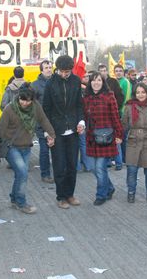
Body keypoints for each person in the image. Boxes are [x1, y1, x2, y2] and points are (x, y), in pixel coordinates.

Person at [0, 84, 55, 213]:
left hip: (26, 146)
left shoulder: (36, 107)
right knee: (23, 173)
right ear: (18, 97)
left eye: (28, 100)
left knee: (20, 174)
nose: (25, 103)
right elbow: (0, 129)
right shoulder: (9, 109)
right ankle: (21, 202)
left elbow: (44, 120)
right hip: (11, 147)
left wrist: (51, 135)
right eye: (22, 100)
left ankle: (14, 199)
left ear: (32, 100)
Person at [43, 55, 85, 209]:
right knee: (60, 165)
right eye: (62, 71)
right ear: (57, 69)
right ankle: (61, 197)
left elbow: (79, 104)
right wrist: (48, 132)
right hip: (56, 130)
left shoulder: (76, 81)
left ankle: (70, 194)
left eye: (67, 72)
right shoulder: (50, 83)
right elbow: (46, 109)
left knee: (72, 165)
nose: (64, 74)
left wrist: (81, 121)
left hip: (73, 130)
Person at [83, 71, 123, 206]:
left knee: (100, 167)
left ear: (103, 82)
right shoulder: (86, 97)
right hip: (91, 138)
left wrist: (119, 134)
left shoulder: (109, 96)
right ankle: (109, 187)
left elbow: (115, 116)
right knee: (93, 168)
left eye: (99, 80)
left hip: (106, 138)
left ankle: (101, 195)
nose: (96, 83)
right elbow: (83, 117)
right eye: (93, 80)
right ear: (90, 82)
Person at [122, 83, 147, 203]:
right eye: (138, 92)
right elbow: (124, 124)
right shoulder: (129, 106)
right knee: (131, 170)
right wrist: (118, 135)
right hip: (133, 140)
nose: (140, 95)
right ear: (135, 93)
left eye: (143, 92)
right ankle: (131, 193)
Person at [32, 59, 55, 183]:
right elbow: (32, 105)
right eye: (46, 68)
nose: (49, 70)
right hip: (41, 123)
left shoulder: (56, 82)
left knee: (57, 151)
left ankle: (58, 173)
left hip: (56, 122)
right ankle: (45, 174)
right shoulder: (35, 85)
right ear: (41, 70)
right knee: (44, 151)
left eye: (50, 67)